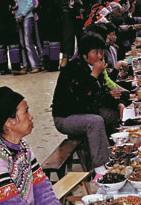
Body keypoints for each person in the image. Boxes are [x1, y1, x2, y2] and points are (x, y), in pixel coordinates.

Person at [51, 33, 122, 174]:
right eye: (95, 52)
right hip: (65, 117)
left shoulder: (95, 67)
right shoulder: (73, 69)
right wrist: (94, 76)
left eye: (101, 52)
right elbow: (80, 101)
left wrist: (116, 101)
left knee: (112, 114)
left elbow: (98, 95)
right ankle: (100, 167)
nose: (100, 56)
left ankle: (116, 153)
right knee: (95, 121)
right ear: (84, 55)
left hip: (85, 111)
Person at [53, 0, 82, 67]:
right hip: (71, 15)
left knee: (64, 37)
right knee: (70, 37)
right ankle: (66, 60)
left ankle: (63, 59)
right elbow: (77, 1)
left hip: (59, 15)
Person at [15, 0, 42, 73]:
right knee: (22, 43)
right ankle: (26, 64)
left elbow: (30, 4)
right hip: (20, 18)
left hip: (27, 17)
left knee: (28, 42)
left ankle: (35, 64)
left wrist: (23, 14)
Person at [36, 0, 61, 72]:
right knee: (54, 43)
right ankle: (54, 64)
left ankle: (47, 63)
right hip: (53, 21)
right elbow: (56, 6)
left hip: (43, 21)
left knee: (45, 43)